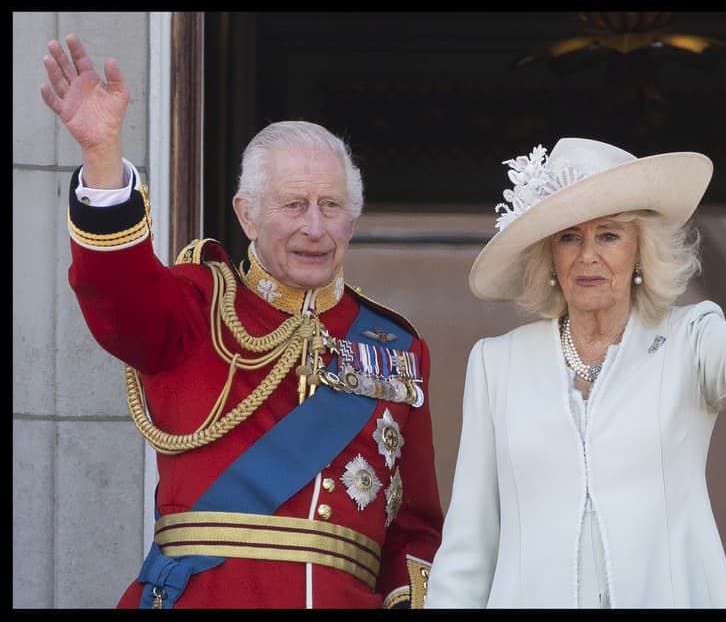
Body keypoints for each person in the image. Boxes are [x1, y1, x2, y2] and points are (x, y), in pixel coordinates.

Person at [40, 34, 443, 609]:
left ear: (351, 223)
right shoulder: (194, 306)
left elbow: (417, 528)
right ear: (246, 215)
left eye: (331, 206)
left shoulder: (398, 348)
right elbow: (116, 292)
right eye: (293, 204)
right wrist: (103, 156)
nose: (314, 226)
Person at [425, 135, 726, 608]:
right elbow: (468, 546)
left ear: (641, 250)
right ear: (550, 256)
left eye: (609, 234)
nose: (587, 256)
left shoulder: (689, 340)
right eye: (569, 236)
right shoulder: (497, 363)